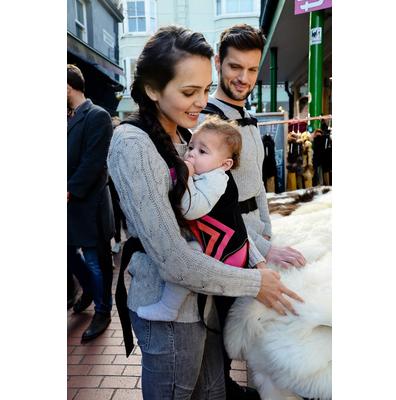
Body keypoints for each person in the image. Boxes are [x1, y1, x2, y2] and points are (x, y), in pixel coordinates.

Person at [107, 25, 303, 400]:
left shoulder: (185, 135)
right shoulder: (133, 144)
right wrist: (256, 282)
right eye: (189, 92)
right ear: (152, 89)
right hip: (170, 314)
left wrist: (258, 256)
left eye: (204, 88)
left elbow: (223, 215)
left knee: (214, 391)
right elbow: (174, 259)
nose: (201, 102)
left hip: (204, 300)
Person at [198, 23, 307, 397]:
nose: (243, 78)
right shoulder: (206, 123)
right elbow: (213, 208)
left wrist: (267, 234)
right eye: (234, 67)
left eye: (251, 69)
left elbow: (258, 187)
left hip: (254, 243)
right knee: (219, 336)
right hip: (228, 249)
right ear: (218, 63)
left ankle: (228, 386)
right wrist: (259, 250)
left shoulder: (249, 116)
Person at [137, 115, 264, 322]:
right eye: (190, 147)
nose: (191, 154)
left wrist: (185, 176)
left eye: (202, 151)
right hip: (221, 241)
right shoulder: (205, 172)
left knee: (189, 256)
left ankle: (169, 307)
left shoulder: (216, 180)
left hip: (227, 253)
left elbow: (190, 210)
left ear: (225, 164)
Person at [67, 64, 115, 342]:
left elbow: (94, 162)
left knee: (96, 262)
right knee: (68, 255)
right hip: (71, 205)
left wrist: (69, 190)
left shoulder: (97, 115)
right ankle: (88, 290)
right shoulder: (68, 117)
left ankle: (103, 311)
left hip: (90, 203)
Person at [109, 116, 127, 254]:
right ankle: (118, 240)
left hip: (123, 184)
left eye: (117, 127)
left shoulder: (125, 144)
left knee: (124, 211)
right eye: (113, 127)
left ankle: (126, 234)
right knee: (115, 212)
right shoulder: (107, 144)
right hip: (111, 184)